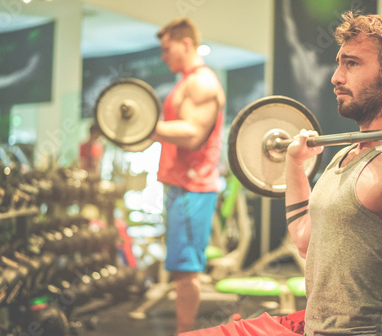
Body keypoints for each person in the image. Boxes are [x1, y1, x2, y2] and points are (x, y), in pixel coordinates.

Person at [181, 11, 382, 336]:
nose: (335, 77)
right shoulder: (343, 155)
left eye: (351, 64)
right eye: (339, 63)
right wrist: (294, 164)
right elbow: (306, 241)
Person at [150, 18, 225, 335]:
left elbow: (193, 134)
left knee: (186, 271)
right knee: (182, 269)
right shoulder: (187, 82)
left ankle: (186, 332)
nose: (163, 57)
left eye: (167, 49)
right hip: (182, 186)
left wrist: (147, 128)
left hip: (193, 187)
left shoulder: (202, 83)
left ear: (185, 44)